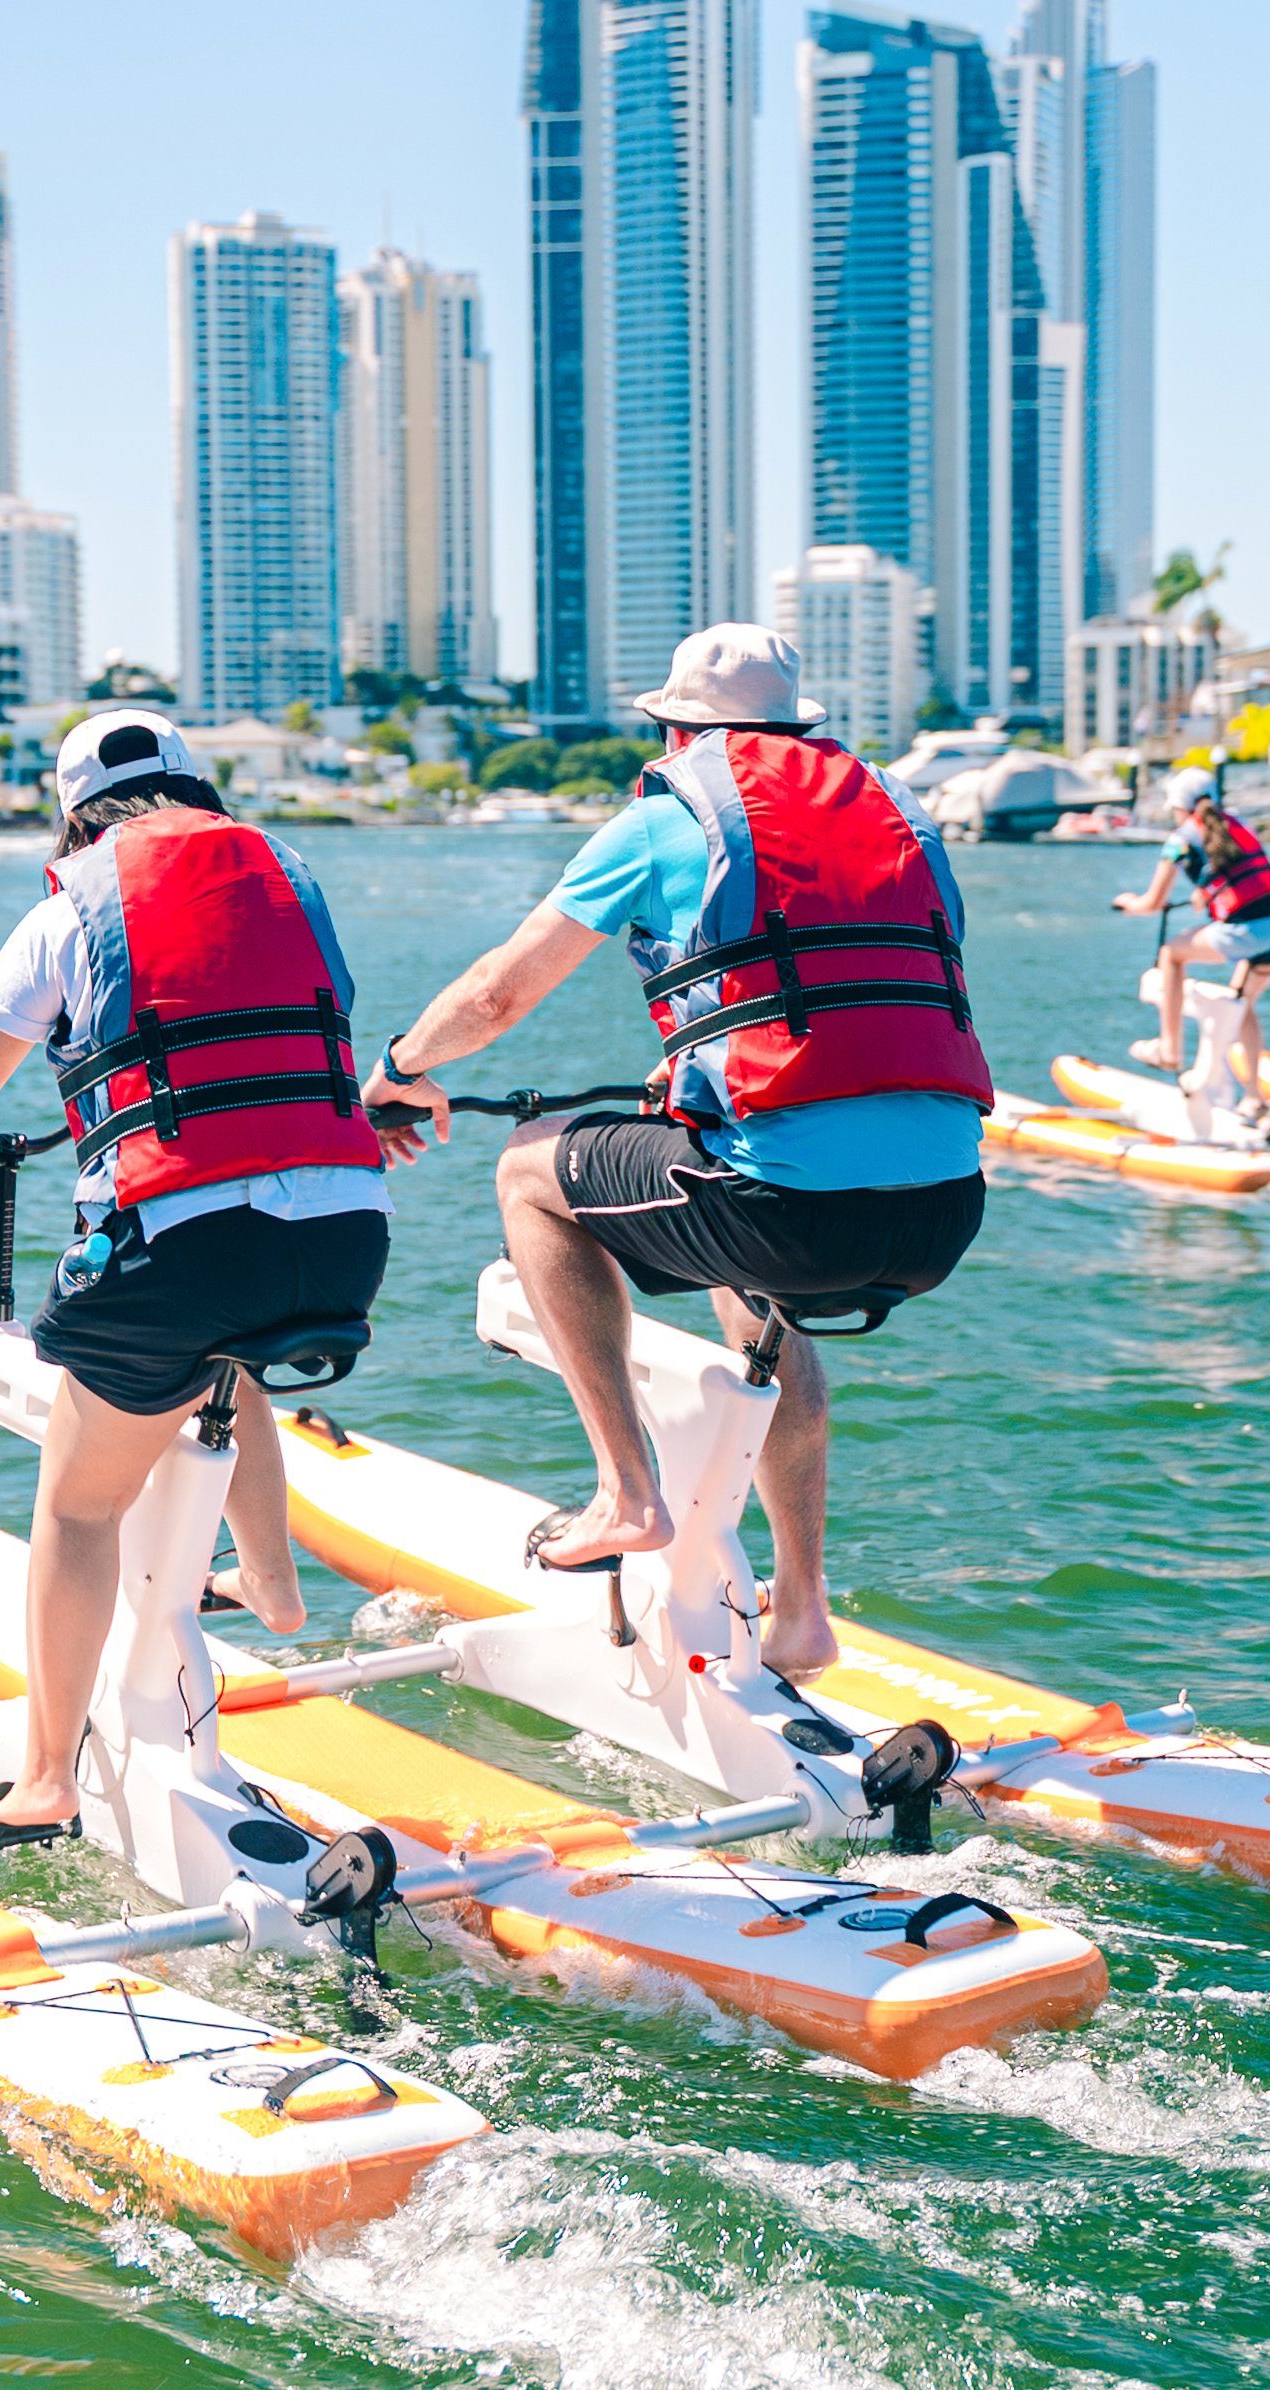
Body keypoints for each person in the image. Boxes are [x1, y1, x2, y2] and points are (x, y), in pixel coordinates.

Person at [0, 710, 426, 1848]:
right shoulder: (290, 879)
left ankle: (48, 1776)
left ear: (75, 814)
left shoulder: (70, 907)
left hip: (184, 1244)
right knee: (226, 1353)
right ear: (198, 791)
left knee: (79, 1500)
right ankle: (272, 1585)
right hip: (350, 1231)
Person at [360, 624, 990, 1686]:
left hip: (788, 1207)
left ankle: (625, 1494)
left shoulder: (664, 820)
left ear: (676, 729)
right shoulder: (897, 820)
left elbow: (496, 994)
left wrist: (397, 1068)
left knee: (526, 1167)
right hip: (942, 1209)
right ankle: (803, 1609)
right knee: (756, 1288)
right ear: (798, 728)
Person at [1109, 785, 1270, 1093]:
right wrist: (1203, 893)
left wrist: (1128, 902)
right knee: (1241, 1004)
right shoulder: (1238, 822)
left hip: (1245, 931)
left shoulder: (1179, 838)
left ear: (1179, 808)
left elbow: (1152, 902)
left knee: (1171, 953)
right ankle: (1254, 1097)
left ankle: (1170, 1049)